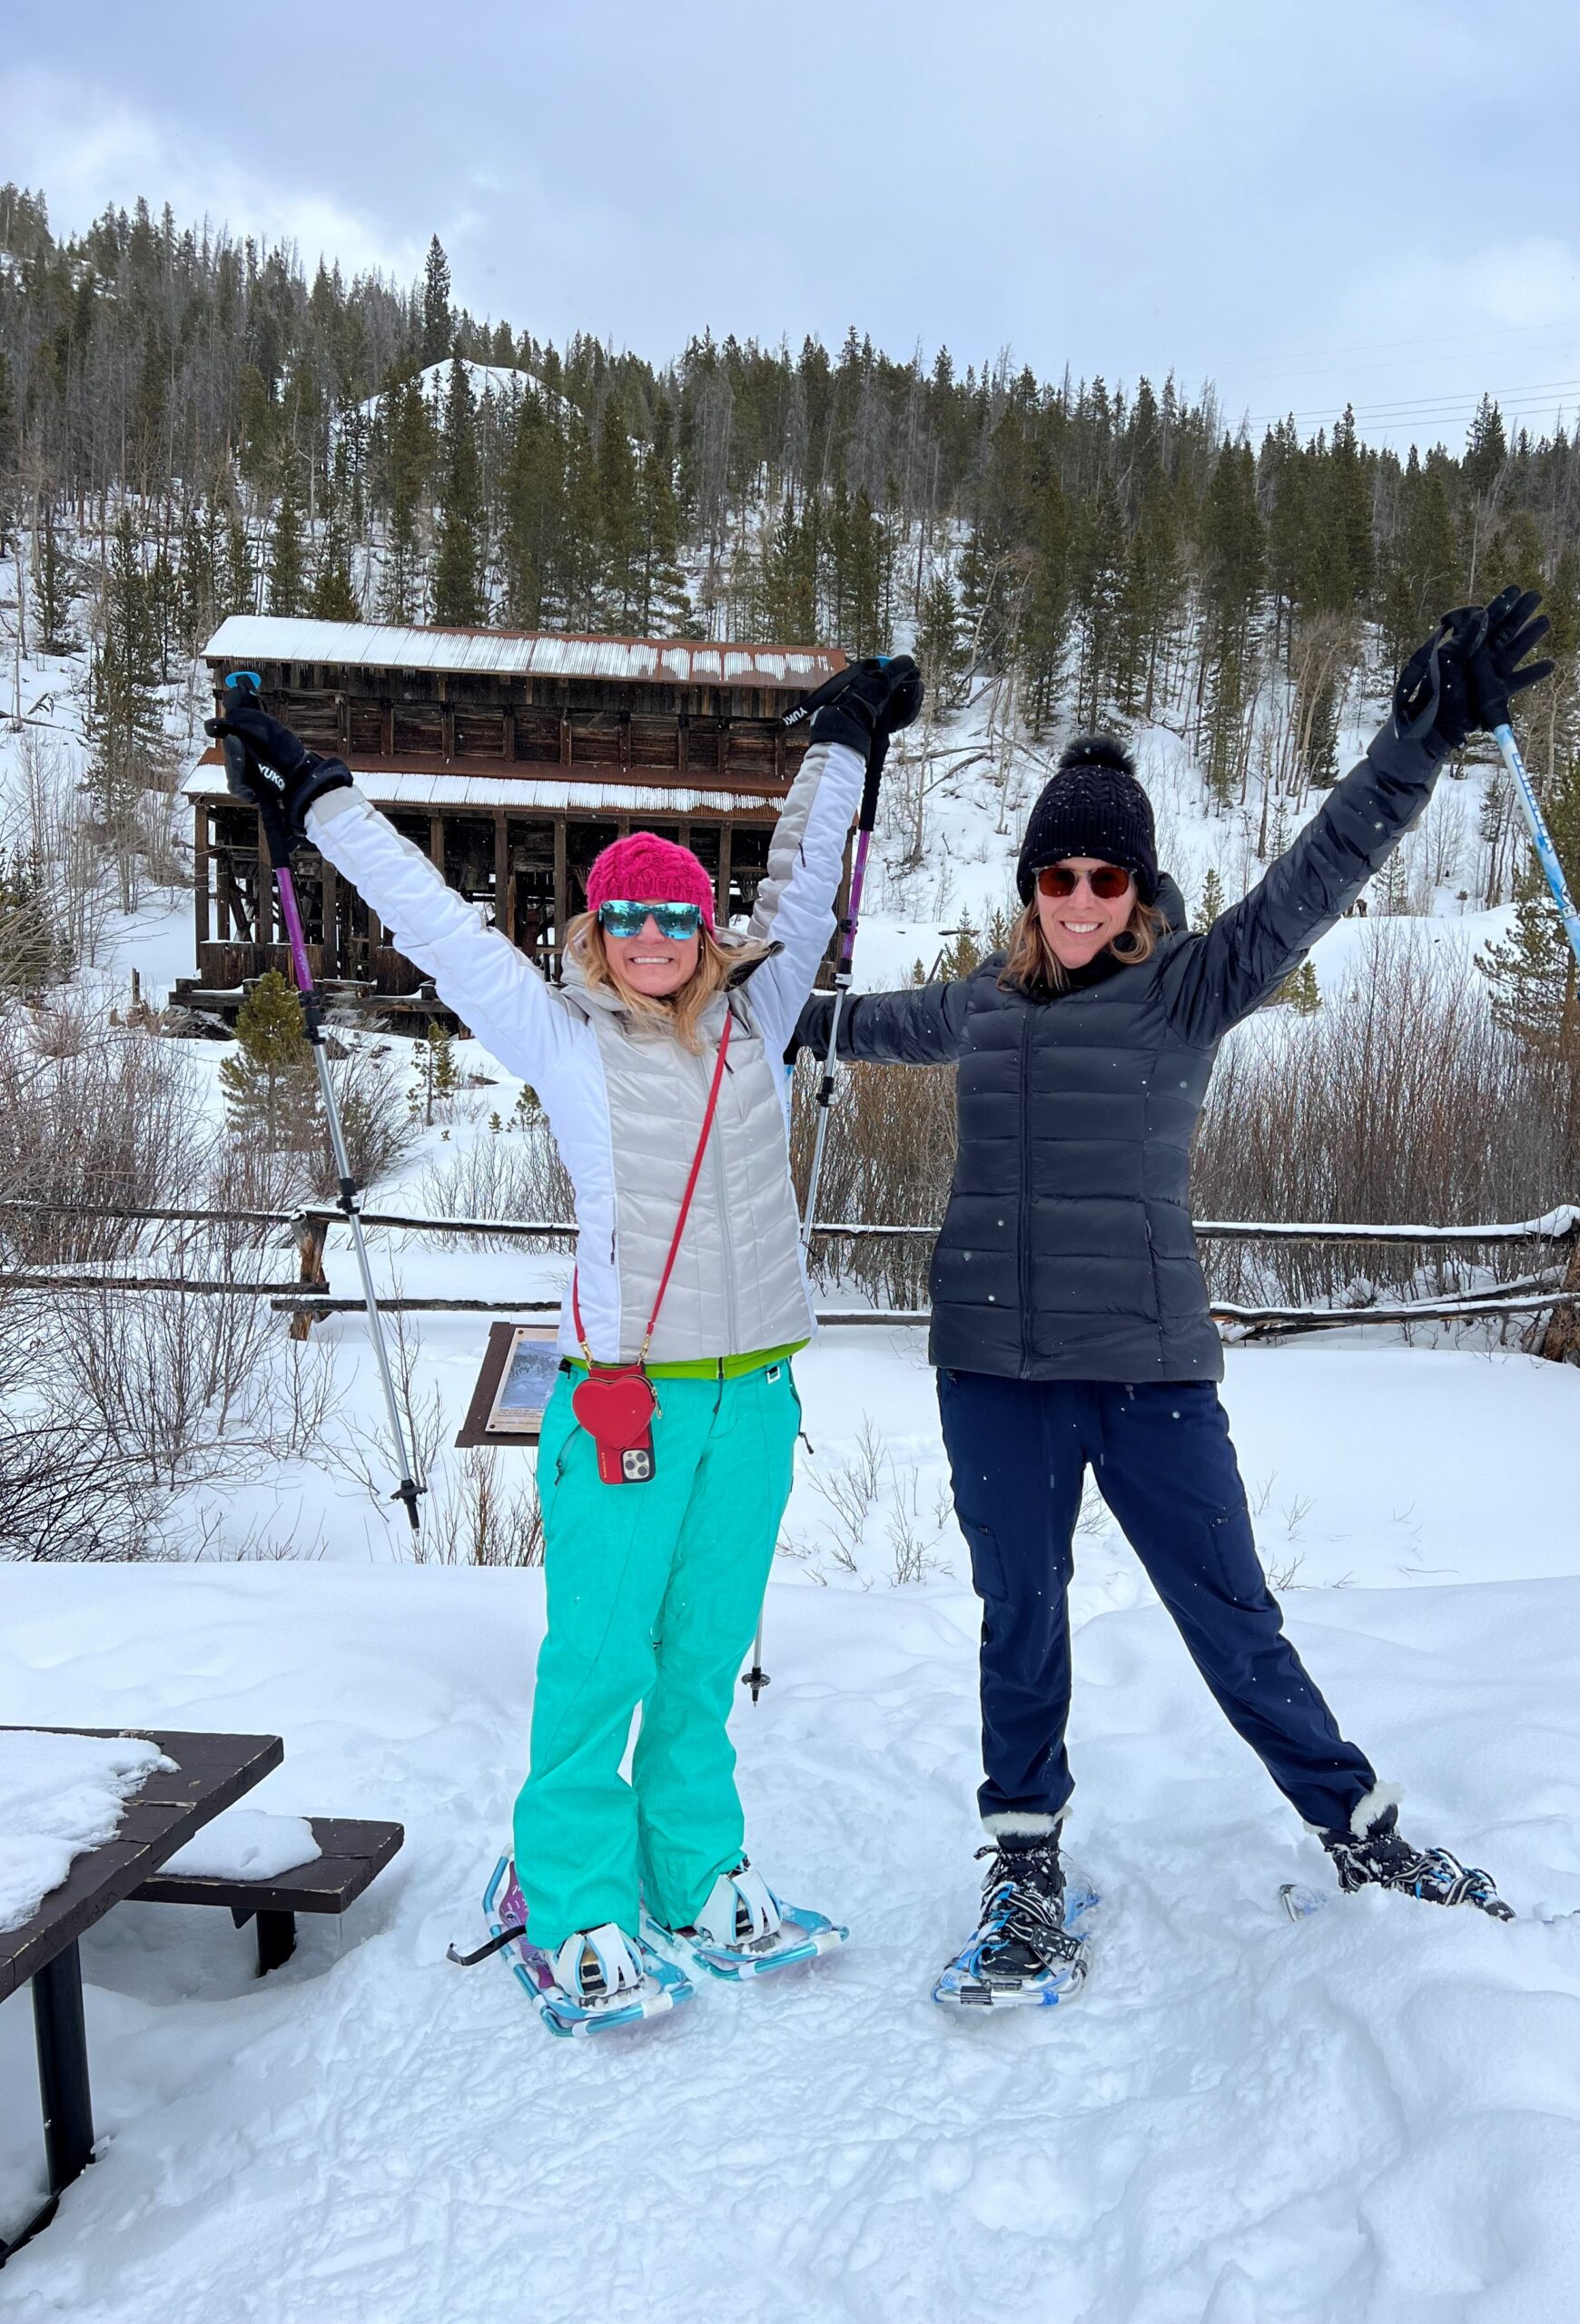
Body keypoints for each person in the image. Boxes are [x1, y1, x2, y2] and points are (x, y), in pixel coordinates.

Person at [793, 589, 1554, 2006]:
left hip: (1150, 1372)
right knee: (1019, 1615)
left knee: (1231, 1616)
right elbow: (808, 1016)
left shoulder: (1194, 991)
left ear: (1141, 894)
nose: (1081, 899)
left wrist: (1420, 743)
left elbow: (1323, 869)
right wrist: (717, 986)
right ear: (1029, 888)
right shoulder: (972, 1009)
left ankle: (1359, 1832)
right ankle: (1024, 1860)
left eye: (1107, 879)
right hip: (994, 1375)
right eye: (1059, 876)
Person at [212, 655, 921, 2034]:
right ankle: (572, 1892)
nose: (657, 934)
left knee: (704, 1653)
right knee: (602, 1658)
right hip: (627, 1403)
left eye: (677, 914)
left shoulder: (758, 1020)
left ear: (706, 932)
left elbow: (803, 874)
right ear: (597, 937)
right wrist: (320, 794)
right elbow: (431, 919)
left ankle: (693, 1863)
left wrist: (841, 739)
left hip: (757, 1393)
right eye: (629, 916)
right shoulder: (557, 1036)